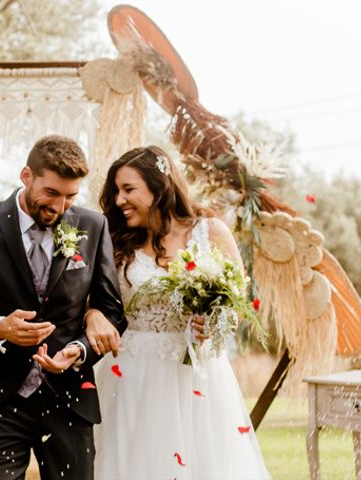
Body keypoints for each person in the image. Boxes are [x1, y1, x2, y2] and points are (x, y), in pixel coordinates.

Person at [0, 135, 126, 480]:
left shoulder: (92, 227)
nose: (60, 207)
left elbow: (112, 313)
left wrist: (78, 350)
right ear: (26, 176)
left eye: (71, 196)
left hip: (70, 399)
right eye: (51, 193)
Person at [92, 146, 272, 479]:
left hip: (195, 372)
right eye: (116, 191)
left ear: (159, 186)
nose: (119, 200)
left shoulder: (210, 232)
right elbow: (96, 302)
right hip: (130, 372)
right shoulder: (116, 241)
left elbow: (237, 304)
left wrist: (213, 323)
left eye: (129, 189)